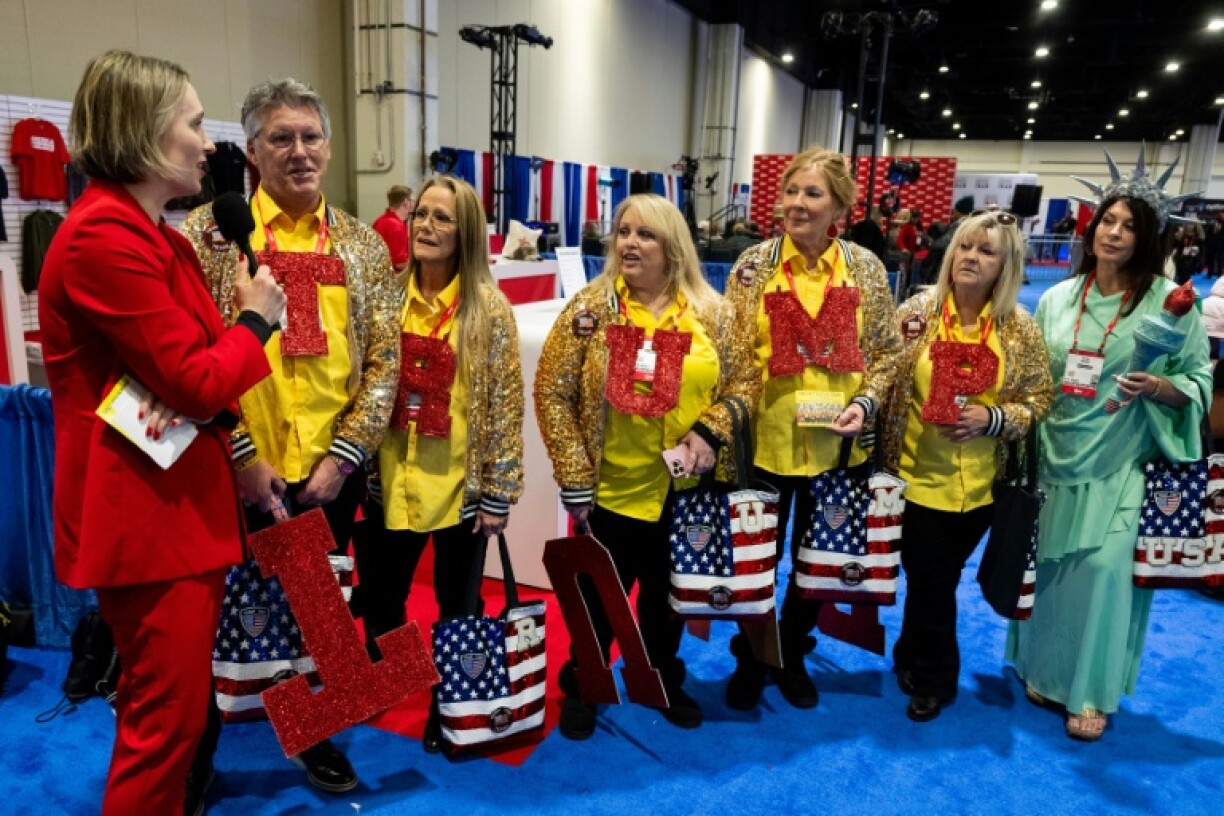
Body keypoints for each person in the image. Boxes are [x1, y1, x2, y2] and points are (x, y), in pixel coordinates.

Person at [38, 50, 284, 815]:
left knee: (171, 722)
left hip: (172, 508)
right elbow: (196, 377)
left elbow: (198, 376)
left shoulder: (151, 235)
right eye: (191, 121)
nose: (208, 141)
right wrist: (257, 320)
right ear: (144, 132)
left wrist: (241, 455)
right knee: (162, 725)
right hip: (146, 519)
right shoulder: (100, 239)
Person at [180, 78, 400, 800]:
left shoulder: (364, 247)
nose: (299, 152)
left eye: (310, 137)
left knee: (324, 621)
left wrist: (345, 457)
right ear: (251, 151)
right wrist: (242, 457)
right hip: (231, 473)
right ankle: (194, 753)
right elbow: (184, 358)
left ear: (330, 147)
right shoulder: (205, 238)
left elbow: (382, 363)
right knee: (209, 626)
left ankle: (319, 743)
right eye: (281, 138)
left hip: (325, 477)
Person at [534, 193, 755, 739]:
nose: (629, 243)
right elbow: (552, 391)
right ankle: (585, 682)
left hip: (689, 490)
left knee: (669, 597)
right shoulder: (590, 309)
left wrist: (711, 429)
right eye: (624, 232)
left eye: (645, 234)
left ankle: (662, 679)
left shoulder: (712, 311)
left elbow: (745, 384)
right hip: (611, 488)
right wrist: (574, 476)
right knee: (597, 603)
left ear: (672, 245)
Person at [1006, 162, 1213, 742]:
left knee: (1101, 573)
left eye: (1128, 225)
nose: (1114, 232)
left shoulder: (1171, 303)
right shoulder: (1057, 298)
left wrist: (1161, 388)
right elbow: (1035, 379)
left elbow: (1197, 380)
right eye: (1107, 220)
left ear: (1147, 238)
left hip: (1122, 462)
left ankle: (1091, 692)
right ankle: (1044, 671)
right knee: (1050, 572)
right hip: (1054, 458)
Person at [721, 146, 902, 712]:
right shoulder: (752, 265)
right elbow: (731, 353)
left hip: (839, 445)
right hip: (764, 444)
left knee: (816, 560)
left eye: (813, 194)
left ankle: (792, 651)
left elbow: (888, 353)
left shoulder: (865, 269)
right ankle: (754, 656)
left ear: (839, 208)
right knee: (754, 559)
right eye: (791, 192)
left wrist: (868, 405)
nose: (797, 204)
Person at [357, 175, 524, 752]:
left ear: (466, 232)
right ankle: (395, 674)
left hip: (460, 489)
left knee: (459, 605)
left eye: (442, 219)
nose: (425, 226)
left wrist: (499, 490)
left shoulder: (489, 311)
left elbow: (504, 404)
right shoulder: (384, 296)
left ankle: (448, 704)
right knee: (380, 597)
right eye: (421, 214)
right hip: (388, 479)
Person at [883, 208, 1054, 722]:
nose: (971, 258)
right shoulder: (916, 311)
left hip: (981, 488)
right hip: (914, 477)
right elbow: (885, 373)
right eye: (964, 246)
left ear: (1006, 265)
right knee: (932, 577)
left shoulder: (1018, 328)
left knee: (933, 579)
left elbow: (1040, 397)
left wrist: (996, 417)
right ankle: (930, 671)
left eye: (986, 251)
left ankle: (920, 664)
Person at [372, 184, 414, 272]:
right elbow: (400, 263)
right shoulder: (396, 226)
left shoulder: (380, 220)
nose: (413, 204)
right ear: (406, 202)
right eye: (412, 200)